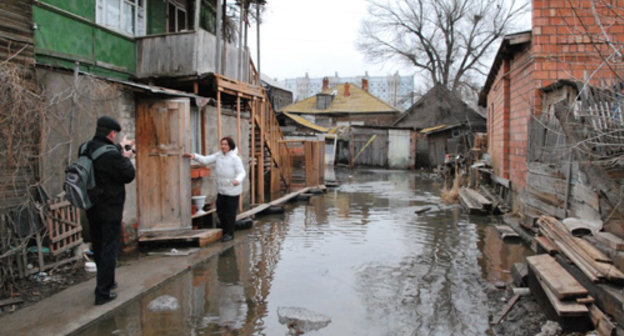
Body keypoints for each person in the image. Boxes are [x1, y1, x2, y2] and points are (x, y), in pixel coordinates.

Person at [85, 116, 136, 305]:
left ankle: (106, 281)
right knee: (109, 248)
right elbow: (128, 175)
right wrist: (126, 157)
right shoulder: (112, 155)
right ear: (112, 133)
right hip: (110, 208)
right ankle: (103, 293)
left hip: (91, 206)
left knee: (98, 246)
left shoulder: (86, 148)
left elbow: (102, 160)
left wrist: (120, 147)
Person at [184, 136, 246, 242]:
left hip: (232, 190)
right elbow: (206, 160)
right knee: (220, 211)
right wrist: (194, 156)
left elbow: (242, 172)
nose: (223, 146)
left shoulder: (235, 158)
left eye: (225, 144)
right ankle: (224, 231)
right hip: (221, 190)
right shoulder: (218, 155)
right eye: (222, 144)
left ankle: (229, 234)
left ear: (230, 146)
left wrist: (237, 180)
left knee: (230, 213)